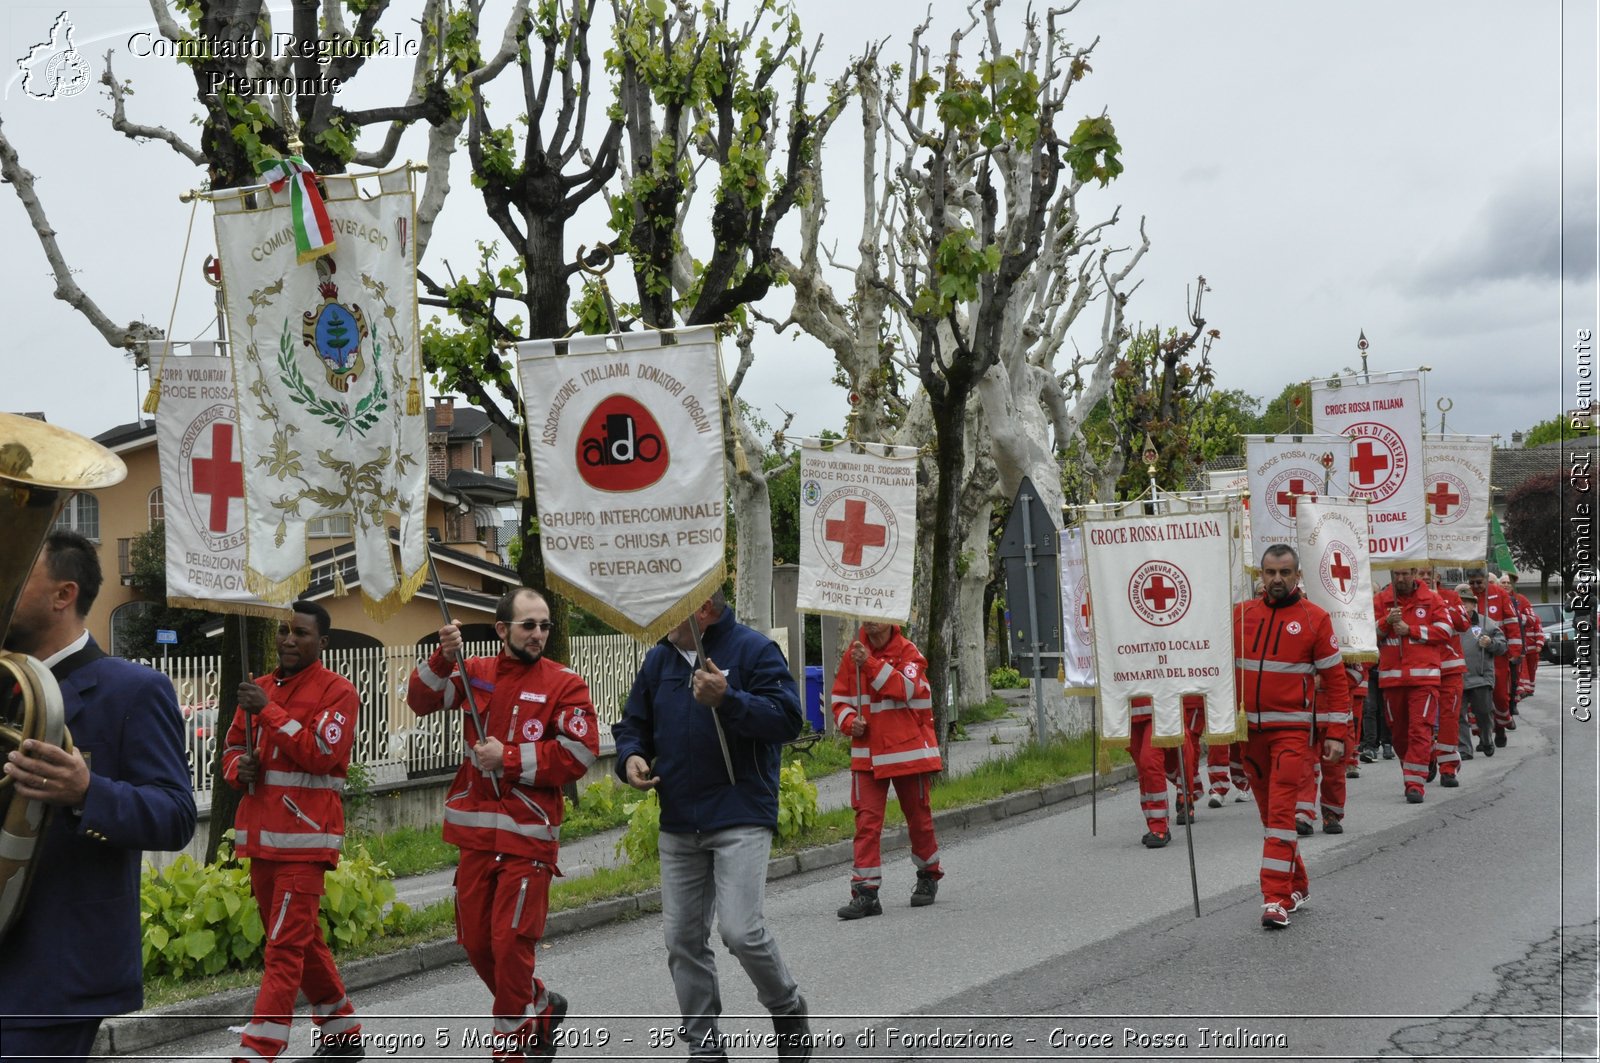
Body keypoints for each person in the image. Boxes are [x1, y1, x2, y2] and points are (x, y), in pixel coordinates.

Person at [0, 531, 197, 1062]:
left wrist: (87, 791)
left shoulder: (132, 689)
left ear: (64, 594)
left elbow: (176, 815)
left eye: (17, 572)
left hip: (54, 964)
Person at [612, 591, 813, 1061]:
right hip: (679, 818)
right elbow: (631, 726)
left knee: (741, 931)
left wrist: (729, 698)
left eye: (669, 609)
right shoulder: (659, 661)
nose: (659, 618)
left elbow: (788, 720)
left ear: (702, 610)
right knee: (682, 939)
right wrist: (632, 758)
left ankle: (787, 1008)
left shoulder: (753, 650)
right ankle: (705, 1046)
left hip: (740, 811)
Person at [406, 588, 598, 1062]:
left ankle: (513, 1047)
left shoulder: (564, 683)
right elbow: (419, 699)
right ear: (502, 630)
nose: (538, 634)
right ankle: (540, 1004)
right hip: (475, 837)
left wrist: (508, 757)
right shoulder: (475, 675)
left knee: (510, 945)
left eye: (545, 625)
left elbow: (579, 753)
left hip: (528, 841)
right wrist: (442, 655)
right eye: (528, 625)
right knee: (476, 943)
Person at [222, 601, 365, 1063]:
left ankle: (257, 1051)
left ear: (321, 643)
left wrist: (269, 712)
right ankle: (342, 1030)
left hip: (306, 843)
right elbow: (231, 749)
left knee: (283, 949)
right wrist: (236, 767)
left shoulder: (338, 692)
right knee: (301, 942)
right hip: (262, 840)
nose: (288, 640)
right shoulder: (258, 688)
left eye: (301, 633)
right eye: (284, 631)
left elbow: (322, 753)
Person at [1232, 544, 1349, 929]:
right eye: (1270, 572)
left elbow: (1335, 683)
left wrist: (1335, 734)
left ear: (1298, 576)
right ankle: (1298, 884)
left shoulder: (1315, 619)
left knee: (1282, 814)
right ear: (1260, 575)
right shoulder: (1240, 616)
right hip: (1249, 734)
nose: (1277, 579)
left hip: (1292, 734)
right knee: (1271, 818)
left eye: (1285, 572)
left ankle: (1275, 898)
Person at [830, 620, 943, 919]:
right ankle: (865, 893)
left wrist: (868, 663)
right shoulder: (853, 655)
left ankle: (928, 875)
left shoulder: (909, 653)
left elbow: (904, 689)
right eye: (865, 614)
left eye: (876, 613)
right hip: (868, 752)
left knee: (918, 819)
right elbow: (839, 700)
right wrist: (848, 721)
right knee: (866, 823)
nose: (869, 620)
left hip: (907, 752)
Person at [1373, 567, 1450, 803]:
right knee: (1398, 735)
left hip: (1424, 679)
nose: (1400, 579)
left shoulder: (1431, 599)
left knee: (1420, 729)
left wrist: (1411, 630)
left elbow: (1445, 631)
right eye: (1396, 574)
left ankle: (1414, 782)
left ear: (1414, 572)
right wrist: (1386, 623)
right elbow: (1366, 635)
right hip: (1391, 680)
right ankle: (1426, 757)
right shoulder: (1381, 601)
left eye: (1405, 574)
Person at [1421, 569, 1470, 788]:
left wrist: (1439, 600)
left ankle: (1448, 768)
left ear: (1437, 576)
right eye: (1419, 573)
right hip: (1422, 669)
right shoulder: (1410, 600)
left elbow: (1463, 623)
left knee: (1450, 719)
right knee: (1424, 720)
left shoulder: (1451, 597)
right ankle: (1428, 757)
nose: (1424, 577)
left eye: (1427, 573)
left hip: (1449, 668)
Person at [1467, 571, 1522, 747]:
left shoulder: (1500, 594)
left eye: (1478, 582)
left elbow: (1512, 623)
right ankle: (1484, 735)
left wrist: (1514, 650)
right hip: (1474, 655)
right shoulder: (1466, 596)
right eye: (1472, 583)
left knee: (1499, 695)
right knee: (1477, 698)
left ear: (1485, 580)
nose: (1475, 586)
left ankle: (1501, 725)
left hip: (1497, 653)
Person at [1456, 584, 1507, 757]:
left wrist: (1491, 643)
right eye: (1459, 602)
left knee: (1484, 713)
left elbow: (1503, 647)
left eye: (1466, 602)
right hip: (1457, 677)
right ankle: (1464, 749)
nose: (1463, 606)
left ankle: (1486, 739)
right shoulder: (1448, 622)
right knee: (1458, 716)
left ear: (1473, 604)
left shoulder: (1487, 623)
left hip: (1481, 677)